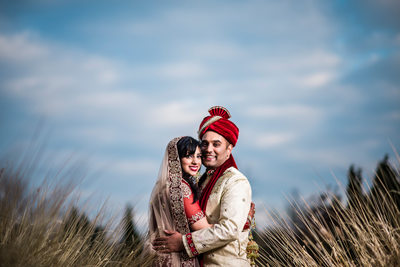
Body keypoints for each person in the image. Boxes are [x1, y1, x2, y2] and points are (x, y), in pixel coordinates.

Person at [153, 106, 253, 266]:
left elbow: (230, 230)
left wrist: (184, 243)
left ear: (229, 149)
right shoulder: (201, 181)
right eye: (205, 144)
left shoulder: (235, 181)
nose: (209, 149)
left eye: (216, 144)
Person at [146, 136, 212, 266]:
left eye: (198, 156)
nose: (195, 162)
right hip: (178, 258)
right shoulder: (181, 189)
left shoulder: (163, 186)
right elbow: (204, 230)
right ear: (175, 158)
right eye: (188, 156)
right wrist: (240, 222)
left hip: (159, 257)